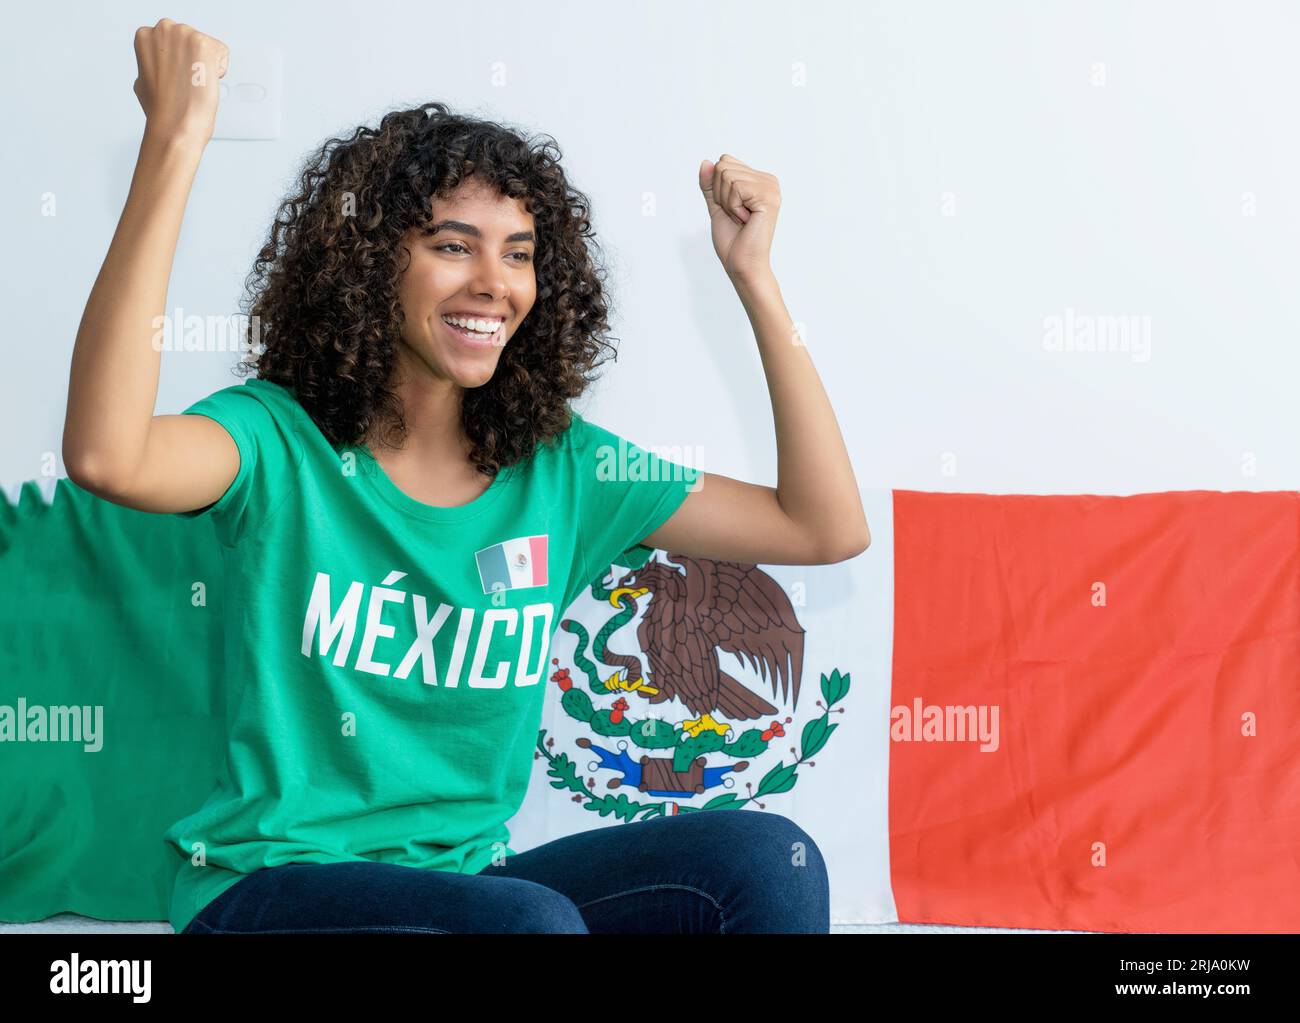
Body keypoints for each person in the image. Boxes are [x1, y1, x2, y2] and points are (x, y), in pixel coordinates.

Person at [62, 18, 870, 935]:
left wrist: (754, 279)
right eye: (454, 245)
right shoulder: (277, 441)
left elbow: (823, 526)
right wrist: (174, 140)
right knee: (527, 924)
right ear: (373, 267)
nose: (495, 281)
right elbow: (106, 455)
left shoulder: (563, 468)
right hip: (268, 891)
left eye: (519, 253)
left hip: (467, 892)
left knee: (768, 860)